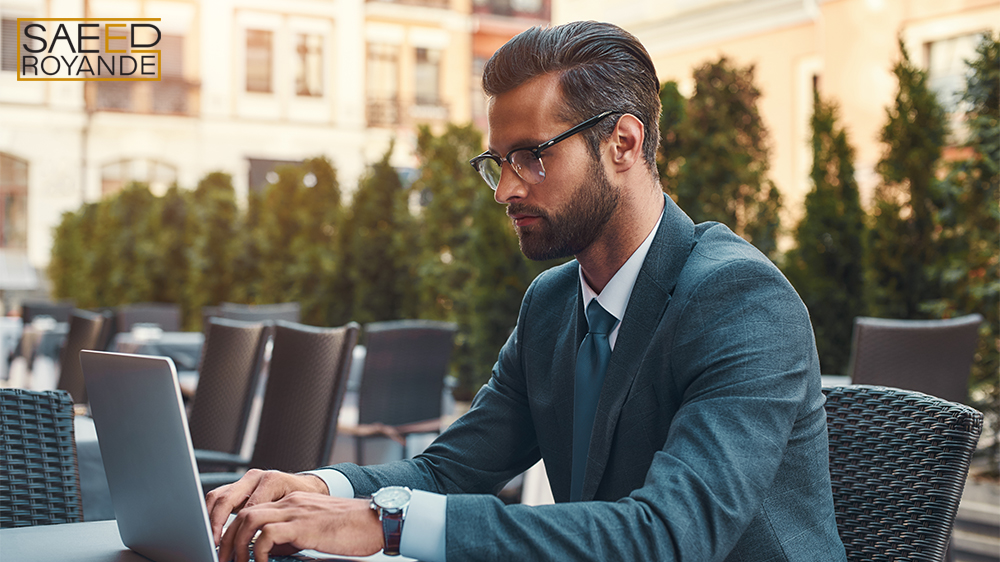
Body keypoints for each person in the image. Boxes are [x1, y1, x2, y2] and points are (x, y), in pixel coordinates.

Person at [207, 21, 847, 562]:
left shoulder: (740, 299)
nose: (505, 190)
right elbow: (447, 471)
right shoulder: (551, 304)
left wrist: (388, 522)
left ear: (623, 143)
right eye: (498, 162)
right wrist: (318, 487)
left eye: (533, 156)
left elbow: (667, 536)